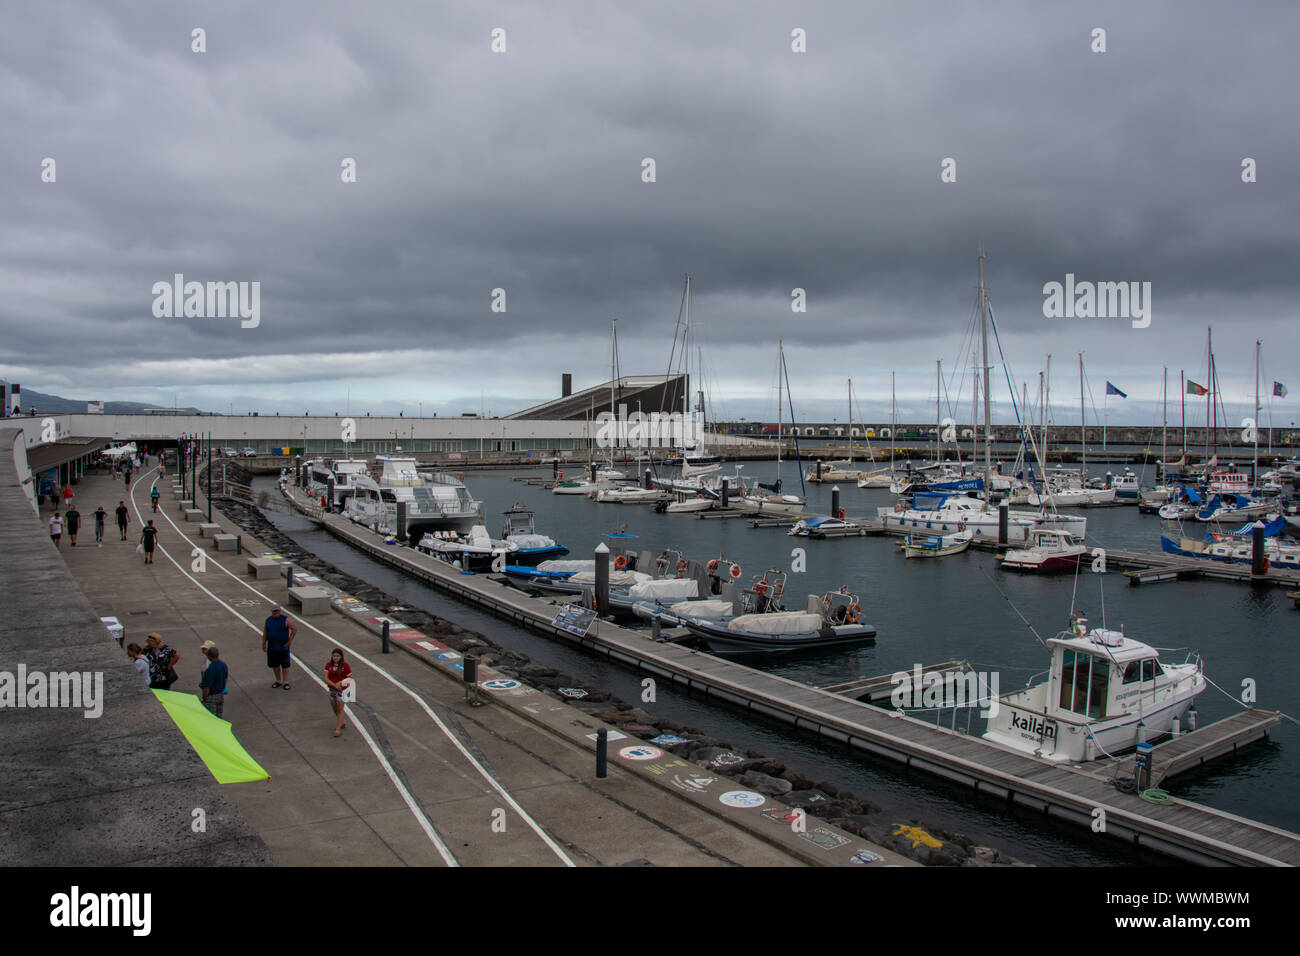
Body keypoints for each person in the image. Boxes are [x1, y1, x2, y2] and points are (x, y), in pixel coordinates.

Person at [262, 605, 296, 689]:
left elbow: (294, 629)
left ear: (280, 611)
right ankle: (278, 681)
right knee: (275, 665)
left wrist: (289, 641)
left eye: (277, 611)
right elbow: (265, 633)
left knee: (285, 665)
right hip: (272, 647)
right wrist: (263, 643)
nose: (276, 613)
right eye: (274, 611)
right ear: (272, 612)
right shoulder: (268, 620)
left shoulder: (285, 619)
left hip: (283, 647)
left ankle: (286, 681)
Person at [324, 648, 353, 737]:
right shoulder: (329, 665)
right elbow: (325, 678)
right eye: (334, 656)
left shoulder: (345, 666)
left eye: (337, 656)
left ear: (341, 657)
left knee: (340, 709)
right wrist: (334, 684)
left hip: (342, 690)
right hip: (332, 689)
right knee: (335, 708)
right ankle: (342, 722)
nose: (335, 658)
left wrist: (340, 683)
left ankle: (337, 729)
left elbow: (350, 678)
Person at [199, 646, 228, 718]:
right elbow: (225, 678)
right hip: (220, 695)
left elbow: (206, 687)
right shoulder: (223, 665)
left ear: (209, 656)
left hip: (211, 696)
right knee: (219, 717)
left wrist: (204, 698)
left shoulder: (210, 669)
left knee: (211, 718)